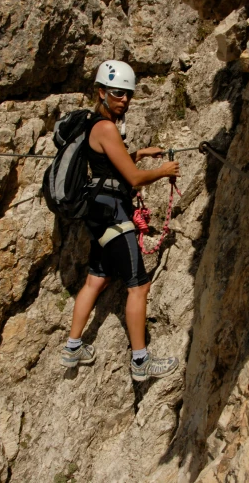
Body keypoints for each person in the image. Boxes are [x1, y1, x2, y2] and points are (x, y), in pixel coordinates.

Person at [60, 60, 180, 381]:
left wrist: (139, 153)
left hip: (97, 214)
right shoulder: (107, 127)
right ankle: (140, 361)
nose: (124, 100)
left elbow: (109, 164)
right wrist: (163, 171)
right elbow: (134, 179)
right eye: (117, 93)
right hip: (114, 214)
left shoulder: (94, 125)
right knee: (139, 286)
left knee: (96, 280)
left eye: (128, 94)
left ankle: (73, 348)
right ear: (101, 92)